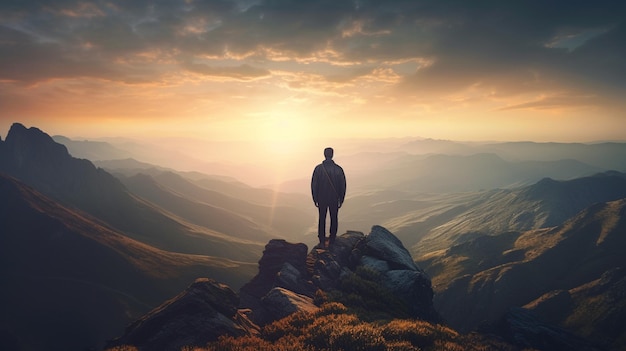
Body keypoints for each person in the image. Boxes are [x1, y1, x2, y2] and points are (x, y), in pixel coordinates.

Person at [311, 147, 346, 248]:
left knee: (322, 218)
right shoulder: (338, 169)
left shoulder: (318, 169)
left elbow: (314, 185)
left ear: (324, 155)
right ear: (332, 155)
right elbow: (342, 186)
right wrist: (341, 199)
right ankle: (332, 239)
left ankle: (322, 240)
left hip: (321, 198)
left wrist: (315, 198)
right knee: (334, 218)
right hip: (334, 198)